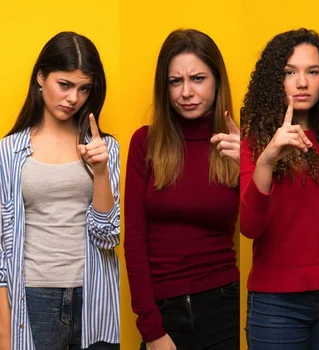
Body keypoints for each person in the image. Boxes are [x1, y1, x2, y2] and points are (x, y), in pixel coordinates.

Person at [240, 28, 319, 349]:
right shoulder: (253, 144)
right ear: (273, 81)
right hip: (277, 304)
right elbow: (249, 228)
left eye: (313, 72)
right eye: (289, 72)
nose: (302, 82)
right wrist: (268, 159)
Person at [0, 31, 120, 349]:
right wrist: (3, 333)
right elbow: (1, 250)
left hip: (94, 295)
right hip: (33, 298)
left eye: (84, 89)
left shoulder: (104, 149)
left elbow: (109, 235)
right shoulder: (9, 152)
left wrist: (100, 170)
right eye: (64, 85)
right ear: (41, 77)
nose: (73, 98)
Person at [124, 29, 240, 350]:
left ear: (217, 81)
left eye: (198, 79)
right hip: (162, 310)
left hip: (223, 303)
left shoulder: (236, 144)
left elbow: (267, 228)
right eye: (176, 81)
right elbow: (134, 239)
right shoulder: (145, 142)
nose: (186, 92)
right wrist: (151, 329)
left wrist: (253, 164)